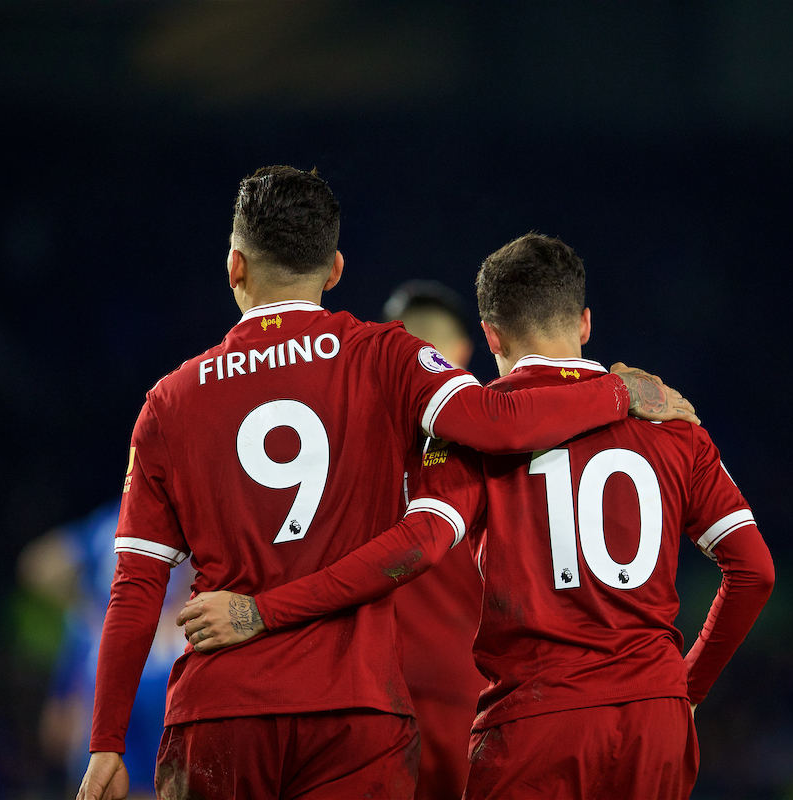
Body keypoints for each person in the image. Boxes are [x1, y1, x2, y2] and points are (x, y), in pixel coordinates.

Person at [77, 167, 697, 800]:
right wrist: (618, 391)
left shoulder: (169, 402)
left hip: (221, 713)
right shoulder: (386, 357)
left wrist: (106, 744)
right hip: (355, 711)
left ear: (235, 265)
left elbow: (134, 588)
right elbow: (499, 422)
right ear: (336, 268)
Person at [188, 233, 774, 799]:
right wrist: (685, 689)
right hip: (654, 721)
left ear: (490, 334)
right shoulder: (670, 424)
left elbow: (419, 543)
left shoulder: (471, 436)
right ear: (585, 323)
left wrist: (265, 610)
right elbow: (754, 571)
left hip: (533, 722)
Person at [382, 281, 486, 800]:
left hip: (374, 701)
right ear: (464, 352)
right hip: (477, 702)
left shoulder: (351, 442)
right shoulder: (503, 441)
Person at [18, 499, 191, 800]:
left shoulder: (111, 523)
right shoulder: (191, 519)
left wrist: (90, 606)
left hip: (116, 650)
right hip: (168, 649)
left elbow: (39, 567)